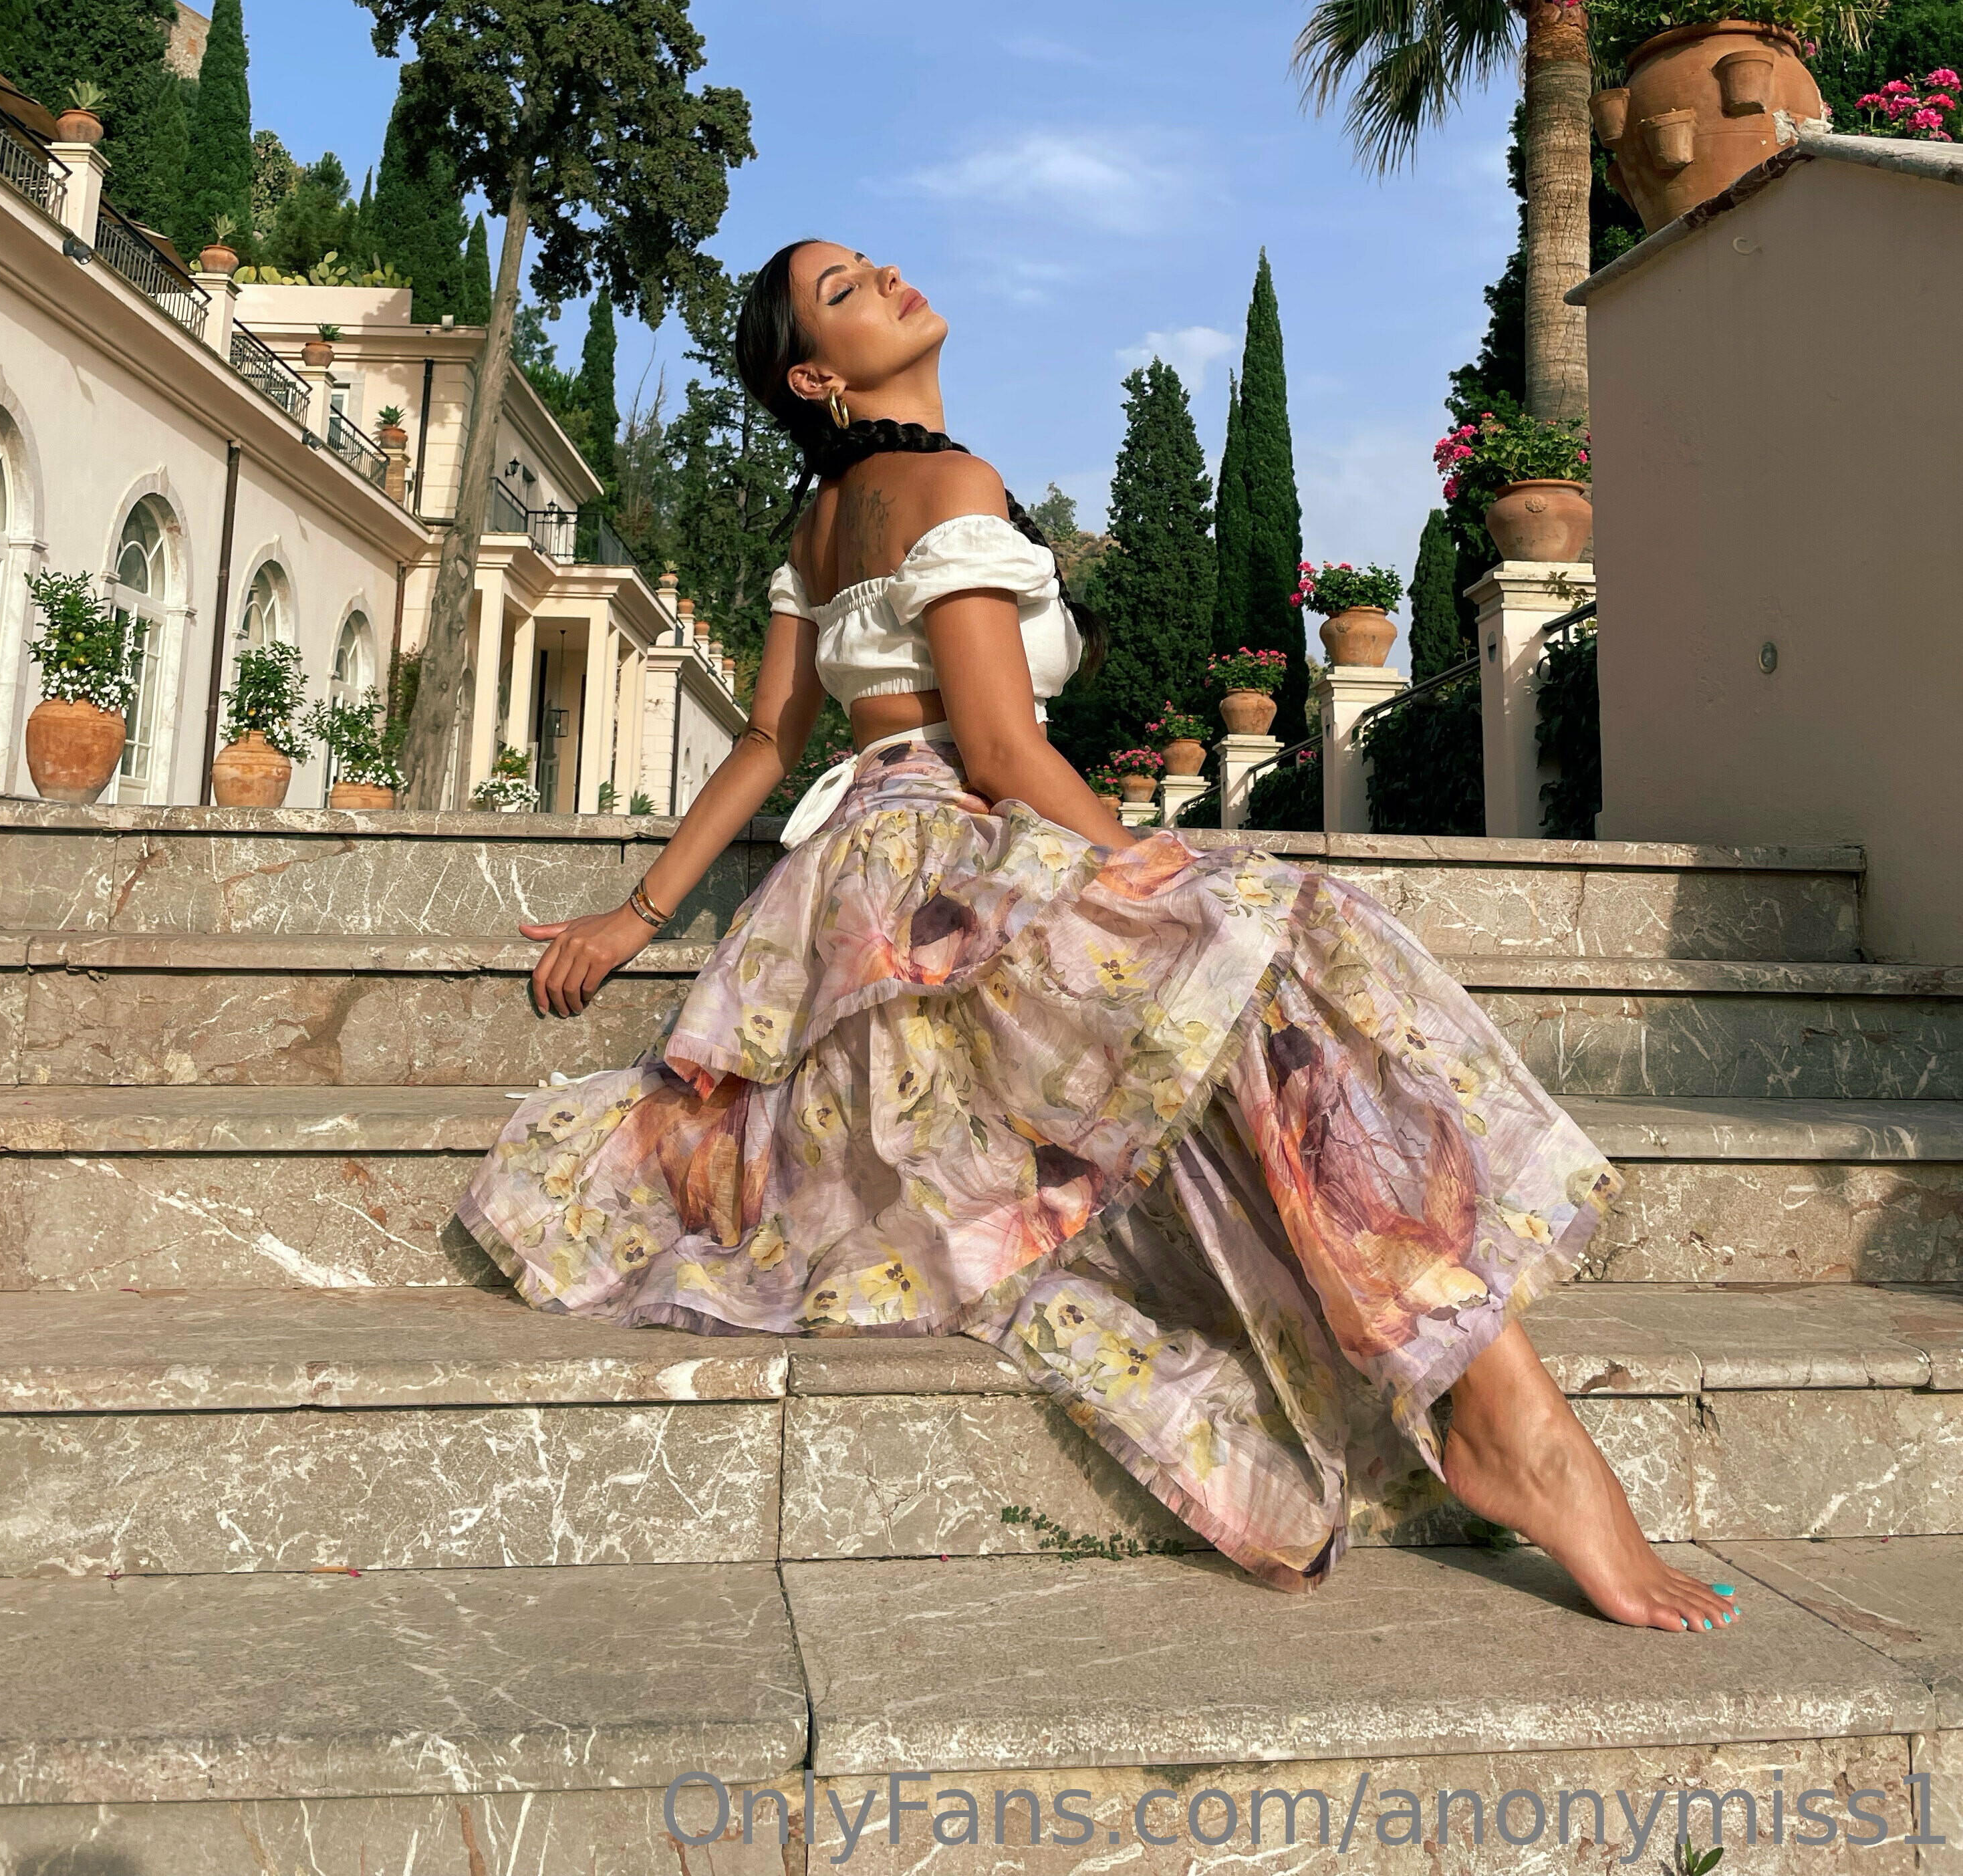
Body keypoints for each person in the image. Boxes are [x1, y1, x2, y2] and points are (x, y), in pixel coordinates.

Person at [457, 241, 1740, 1635]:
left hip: (855, 894)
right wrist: (1156, 872)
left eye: (868, 264)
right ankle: (1510, 1417)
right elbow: (1002, 750)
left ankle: (1498, 1403)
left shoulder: (819, 526)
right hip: (950, 860)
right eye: (844, 290)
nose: (886, 276)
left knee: (1231, 998)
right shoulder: (951, 485)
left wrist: (639, 915)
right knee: (1280, 947)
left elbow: (772, 738)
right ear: (817, 378)